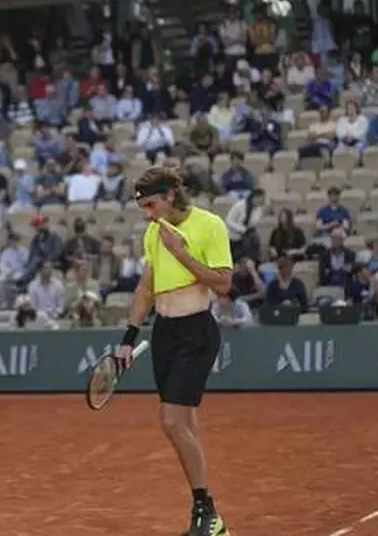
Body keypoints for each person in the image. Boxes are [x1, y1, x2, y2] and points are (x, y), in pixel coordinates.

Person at [113, 166, 233, 536]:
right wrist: (129, 339)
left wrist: (181, 253)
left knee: (170, 421)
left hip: (196, 332)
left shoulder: (209, 225)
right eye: (143, 208)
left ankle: (207, 510)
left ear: (169, 196)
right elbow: (146, 290)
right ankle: (210, 522)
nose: (148, 215)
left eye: (152, 205)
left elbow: (224, 284)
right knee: (186, 423)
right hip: (164, 333)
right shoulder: (153, 233)